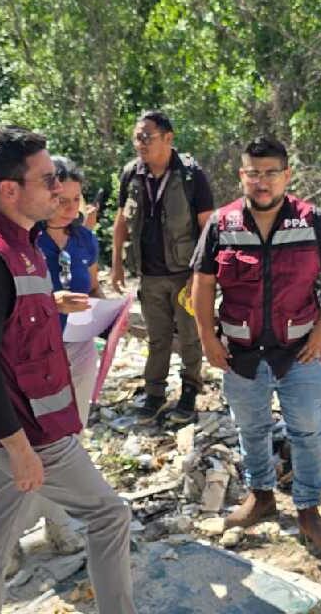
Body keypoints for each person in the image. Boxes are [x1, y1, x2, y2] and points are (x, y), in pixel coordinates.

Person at [0, 127, 134, 614]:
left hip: (26, 422)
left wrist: (51, 305)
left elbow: (7, 322)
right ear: (10, 189)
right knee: (109, 515)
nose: (57, 189)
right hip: (27, 427)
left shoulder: (20, 241)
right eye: (47, 180)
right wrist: (19, 448)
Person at [191, 137, 321, 554]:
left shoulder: (311, 220)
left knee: (307, 430)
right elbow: (203, 283)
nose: (262, 182)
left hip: (298, 350)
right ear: (242, 176)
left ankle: (308, 510)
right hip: (240, 352)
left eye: (270, 173)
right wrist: (208, 337)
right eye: (253, 173)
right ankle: (260, 496)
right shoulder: (222, 224)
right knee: (251, 429)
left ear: (287, 176)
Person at [110, 110, 214, 425]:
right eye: (136, 137)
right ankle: (154, 394)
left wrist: (204, 277)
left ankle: (190, 392)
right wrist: (116, 264)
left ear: (168, 139)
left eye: (146, 137)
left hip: (186, 274)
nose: (140, 143)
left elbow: (208, 227)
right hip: (150, 274)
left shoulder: (191, 175)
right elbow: (122, 221)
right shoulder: (132, 174)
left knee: (190, 336)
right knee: (157, 338)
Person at [38, 155, 102, 420]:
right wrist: (51, 303)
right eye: (63, 201)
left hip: (79, 346)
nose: (71, 208)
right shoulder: (28, 240)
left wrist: (111, 315)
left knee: (75, 422)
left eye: (76, 200)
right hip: (39, 349)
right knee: (42, 425)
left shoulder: (84, 239)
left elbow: (94, 288)